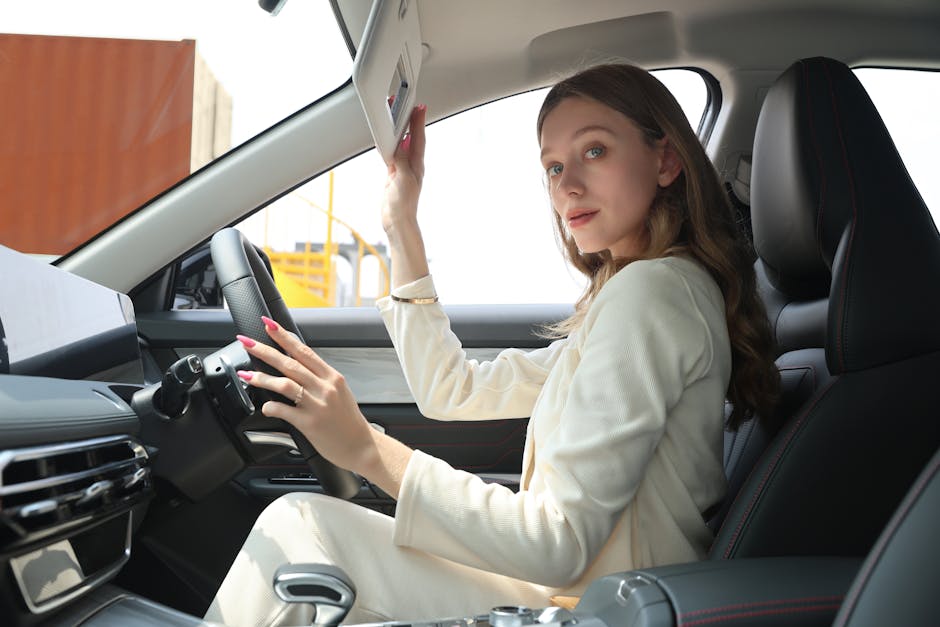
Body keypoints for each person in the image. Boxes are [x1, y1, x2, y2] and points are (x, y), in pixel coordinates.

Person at [204, 63, 779, 626]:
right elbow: (450, 391)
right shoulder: (641, 294)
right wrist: (402, 222)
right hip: (584, 596)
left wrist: (365, 449)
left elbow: (559, 541)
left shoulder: (654, 295)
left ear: (666, 160)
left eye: (595, 151)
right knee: (305, 530)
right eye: (553, 167)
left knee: (303, 532)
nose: (568, 184)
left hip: (598, 610)